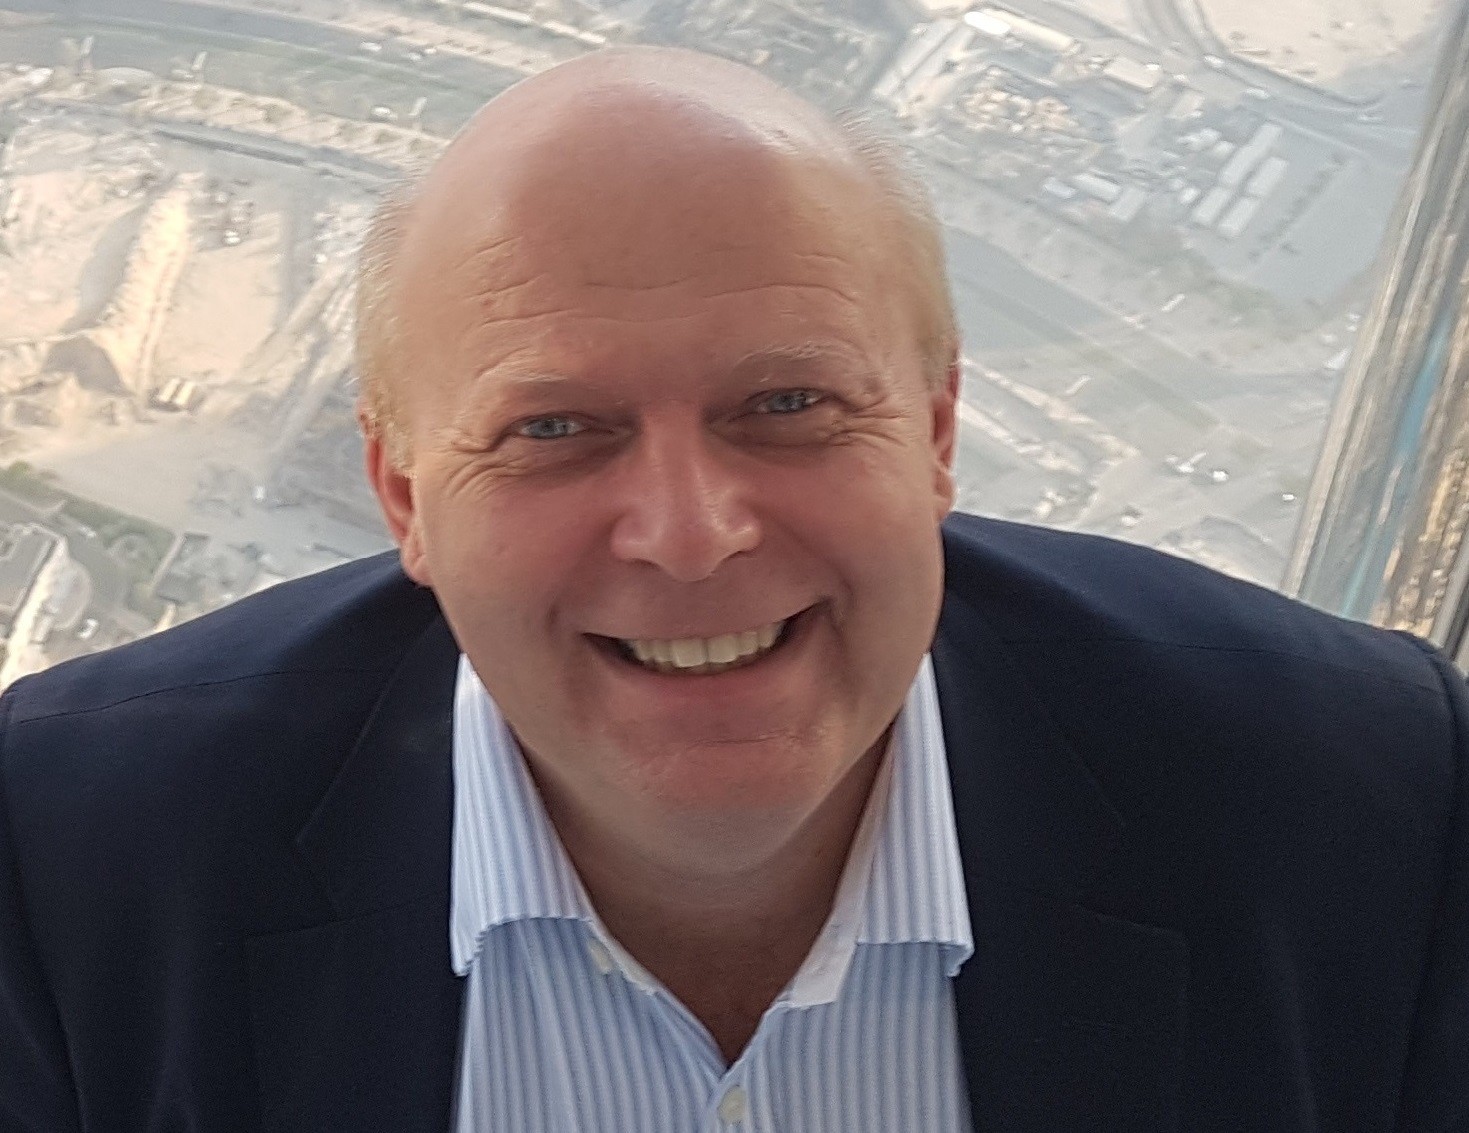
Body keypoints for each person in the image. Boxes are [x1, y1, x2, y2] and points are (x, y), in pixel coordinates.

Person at [1, 46, 1465, 1133]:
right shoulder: (71, 868)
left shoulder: (1365, 808)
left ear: (937, 435)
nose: (689, 534)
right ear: (404, 497)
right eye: (554, 429)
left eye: (787, 404)